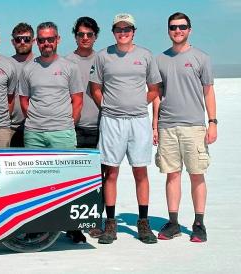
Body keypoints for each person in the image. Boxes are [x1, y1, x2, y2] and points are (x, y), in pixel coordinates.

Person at [89, 13, 162, 244]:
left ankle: (143, 223)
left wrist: (140, 103)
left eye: (127, 29)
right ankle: (110, 224)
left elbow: (153, 88)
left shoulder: (146, 56)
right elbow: (96, 89)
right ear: (113, 32)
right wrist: (109, 107)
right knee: (111, 172)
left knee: (140, 171)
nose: (123, 33)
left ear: (133, 31)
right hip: (112, 121)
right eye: (119, 29)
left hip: (138, 120)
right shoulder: (103, 56)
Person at [19, 22, 85, 243]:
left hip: (62, 132)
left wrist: (68, 123)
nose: (46, 43)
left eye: (50, 39)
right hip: (34, 134)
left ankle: (72, 226)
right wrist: (37, 120)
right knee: (35, 183)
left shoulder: (70, 67)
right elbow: (24, 100)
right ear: (37, 42)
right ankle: (36, 225)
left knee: (68, 182)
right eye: (42, 40)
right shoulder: (28, 68)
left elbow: (77, 100)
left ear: (57, 40)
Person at [154, 12, 216, 243]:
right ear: (168, 30)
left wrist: (212, 122)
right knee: (172, 174)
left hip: (194, 126)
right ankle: (173, 222)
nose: (177, 30)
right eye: (173, 27)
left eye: (182, 27)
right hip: (168, 126)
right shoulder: (160, 59)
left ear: (189, 29)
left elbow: (208, 92)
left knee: (196, 174)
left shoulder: (201, 57)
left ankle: (199, 223)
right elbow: (157, 96)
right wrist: (155, 125)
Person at [64, 16, 103, 240]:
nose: (85, 38)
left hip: (101, 125)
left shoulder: (104, 59)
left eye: (89, 34)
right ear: (75, 36)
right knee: (74, 179)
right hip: (74, 127)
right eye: (81, 34)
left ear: (95, 36)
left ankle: (97, 220)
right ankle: (74, 225)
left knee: (101, 176)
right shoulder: (67, 61)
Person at [9, 22, 35, 147]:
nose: (23, 42)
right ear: (13, 42)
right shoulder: (5, 64)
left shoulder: (41, 63)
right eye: (18, 39)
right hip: (8, 127)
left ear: (33, 41)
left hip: (35, 127)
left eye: (27, 39)